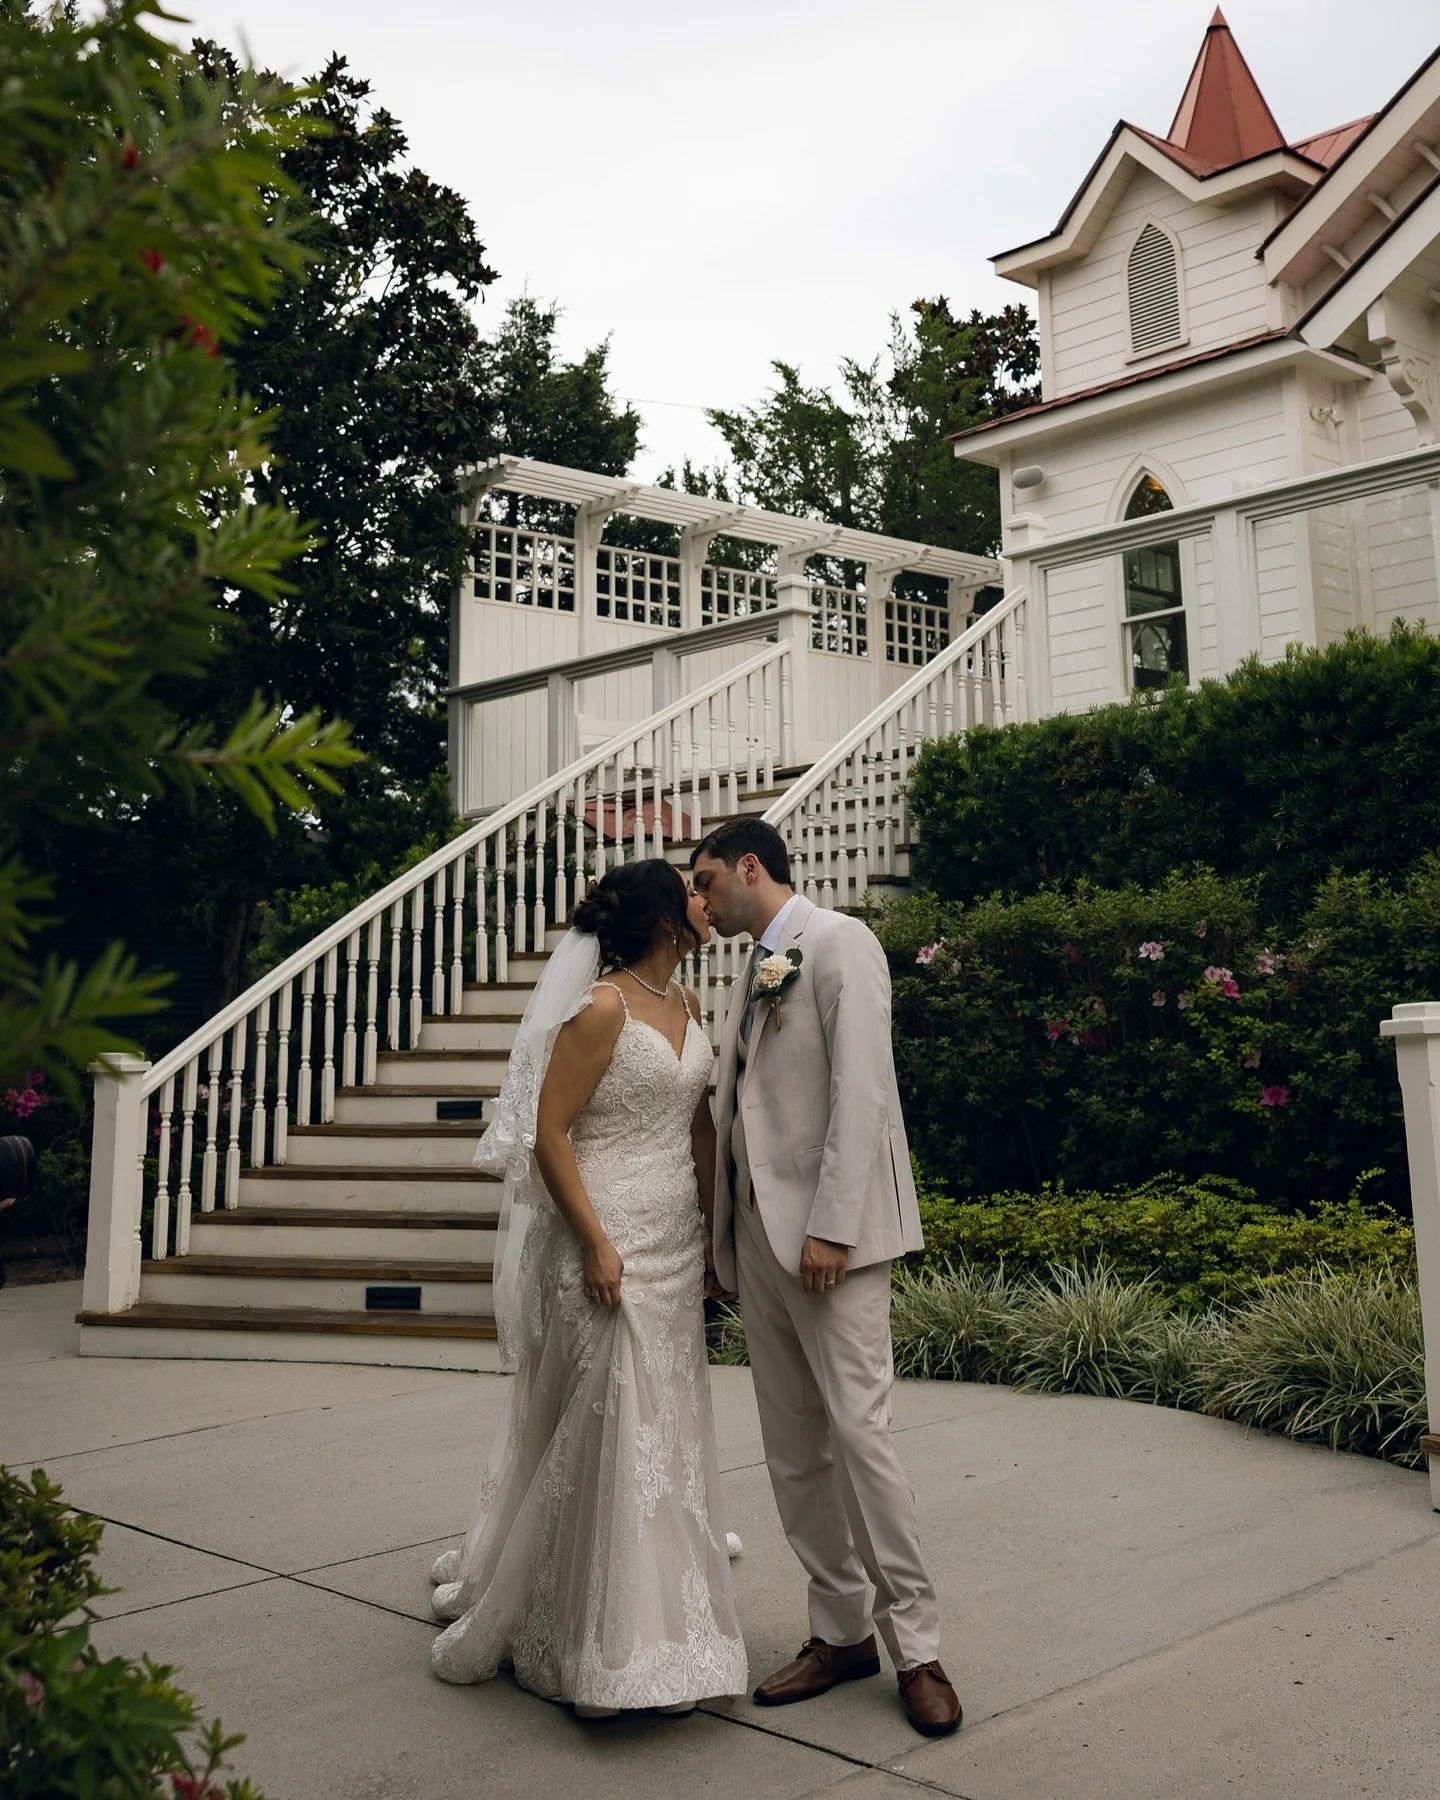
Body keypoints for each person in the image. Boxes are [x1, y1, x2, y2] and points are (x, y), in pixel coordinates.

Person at [428, 858, 748, 1718]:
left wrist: (717, 1242)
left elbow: (698, 1127)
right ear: (663, 920)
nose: (703, 898)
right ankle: (597, 1642)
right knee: (613, 1420)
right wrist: (597, 1243)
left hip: (676, 1238)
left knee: (665, 1419)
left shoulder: (684, 1005)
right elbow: (548, 1134)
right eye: (690, 890)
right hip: (604, 1239)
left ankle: (660, 1614)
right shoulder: (601, 1006)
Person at [690, 817, 961, 1737]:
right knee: (792, 1444)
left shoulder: (840, 942)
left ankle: (917, 1647)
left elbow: (864, 1090)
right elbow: (741, 1107)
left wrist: (834, 1228)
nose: (701, 897)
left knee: (862, 1435)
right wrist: (722, 1244)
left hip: (828, 1244)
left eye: (707, 878)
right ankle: (838, 1630)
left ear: (750, 866)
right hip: (759, 1247)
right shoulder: (747, 967)